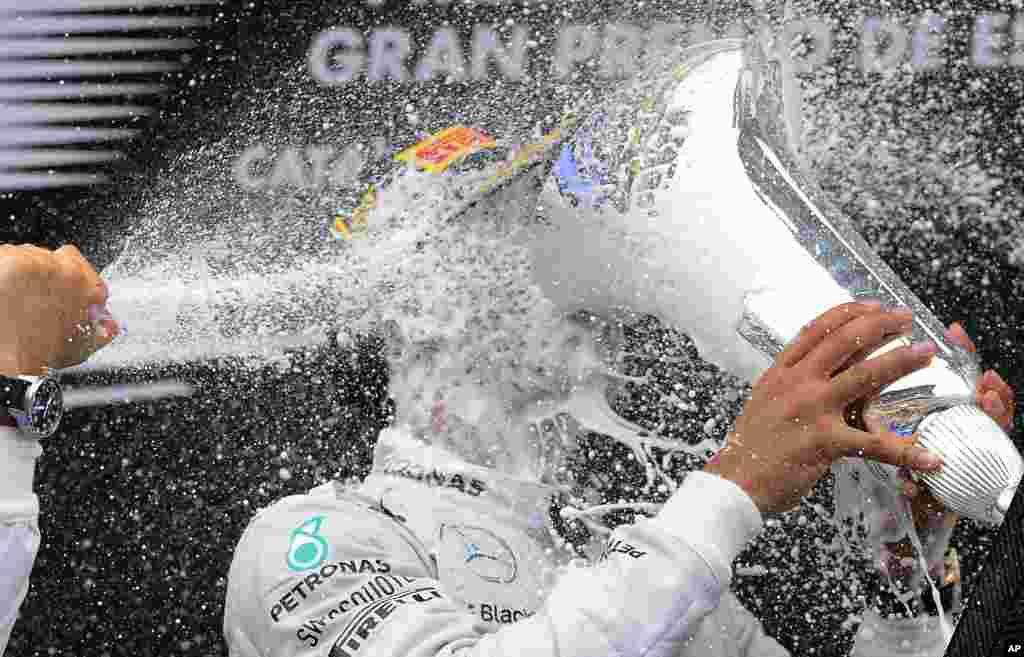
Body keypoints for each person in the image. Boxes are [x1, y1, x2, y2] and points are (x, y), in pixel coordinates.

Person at [0, 243, 1013, 657]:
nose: (583, 296)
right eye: (519, 259)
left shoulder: (636, 552)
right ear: (425, 314)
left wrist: (899, 561)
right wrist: (733, 486)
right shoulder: (312, 534)